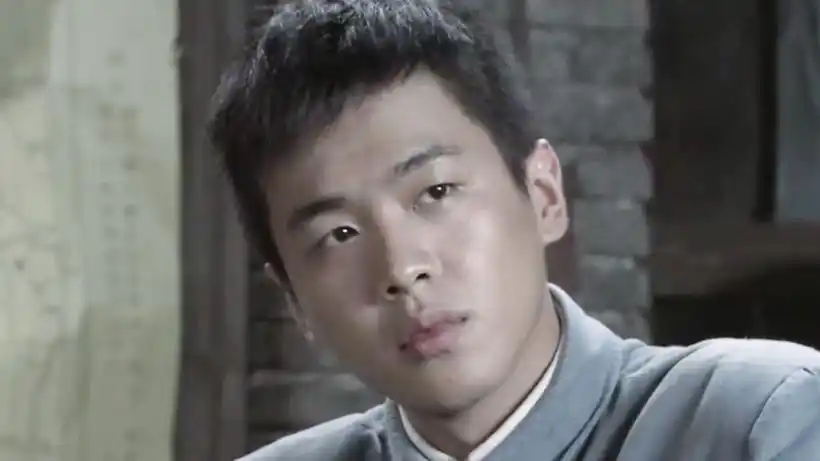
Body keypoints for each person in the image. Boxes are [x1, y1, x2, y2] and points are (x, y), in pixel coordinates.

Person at [208, 1, 820, 460]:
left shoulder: (763, 417)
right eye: (340, 235)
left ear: (544, 194)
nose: (402, 269)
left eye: (436, 193)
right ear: (295, 302)